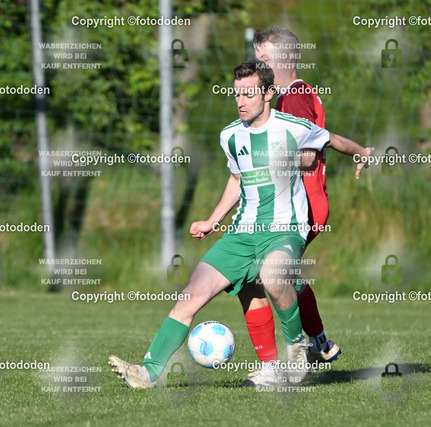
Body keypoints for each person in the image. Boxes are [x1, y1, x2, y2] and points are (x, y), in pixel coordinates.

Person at [109, 59, 369, 388]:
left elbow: (331, 139)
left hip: (284, 229)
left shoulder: (293, 128)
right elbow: (237, 180)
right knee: (189, 297)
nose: (240, 101)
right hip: (241, 234)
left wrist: (362, 152)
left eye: (248, 94)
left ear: (268, 94)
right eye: (236, 94)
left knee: (273, 276)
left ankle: (297, 350)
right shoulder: (230, 135)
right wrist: (212, 220)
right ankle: (147, 372)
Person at [236, 26, 369, 386]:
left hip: (300, 206)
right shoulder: (289, 96)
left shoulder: (294, 97)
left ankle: (280, 365)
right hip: (300, 204)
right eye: (257, 58)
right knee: (283, 276)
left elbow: (307, 155)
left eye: (265, 59)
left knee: (261, 275)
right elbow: (329, 139)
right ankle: (319, 344)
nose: (259, 66)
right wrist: (360, 151)